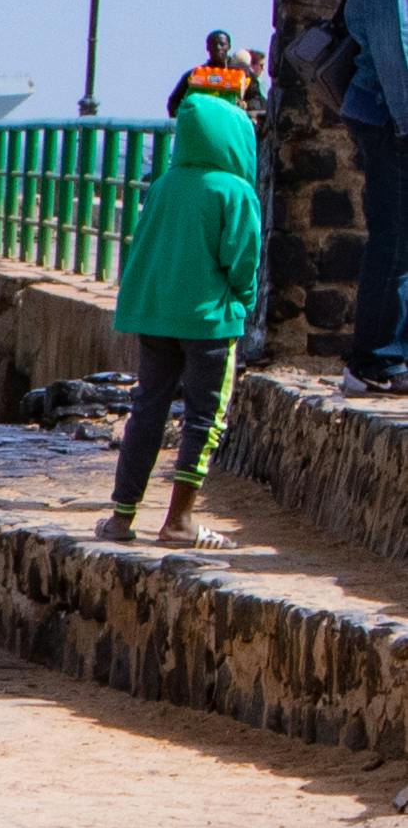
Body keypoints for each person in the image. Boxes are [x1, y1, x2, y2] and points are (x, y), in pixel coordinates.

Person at [106, 42, 264, 543]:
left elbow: (144, 247)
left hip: (156, 318)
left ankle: (121, 516)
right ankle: (178, 520)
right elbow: (242, 260)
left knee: (146, 410)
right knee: (203, 418)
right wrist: (243, 301)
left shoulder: (165, 184)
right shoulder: (235, 191)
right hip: (210, 322)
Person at [339, 0, 405, 386]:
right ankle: (374, 359)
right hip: (390, 114)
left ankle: (391, 354)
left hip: (392, 112)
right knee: (396, 236)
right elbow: (394, 42)